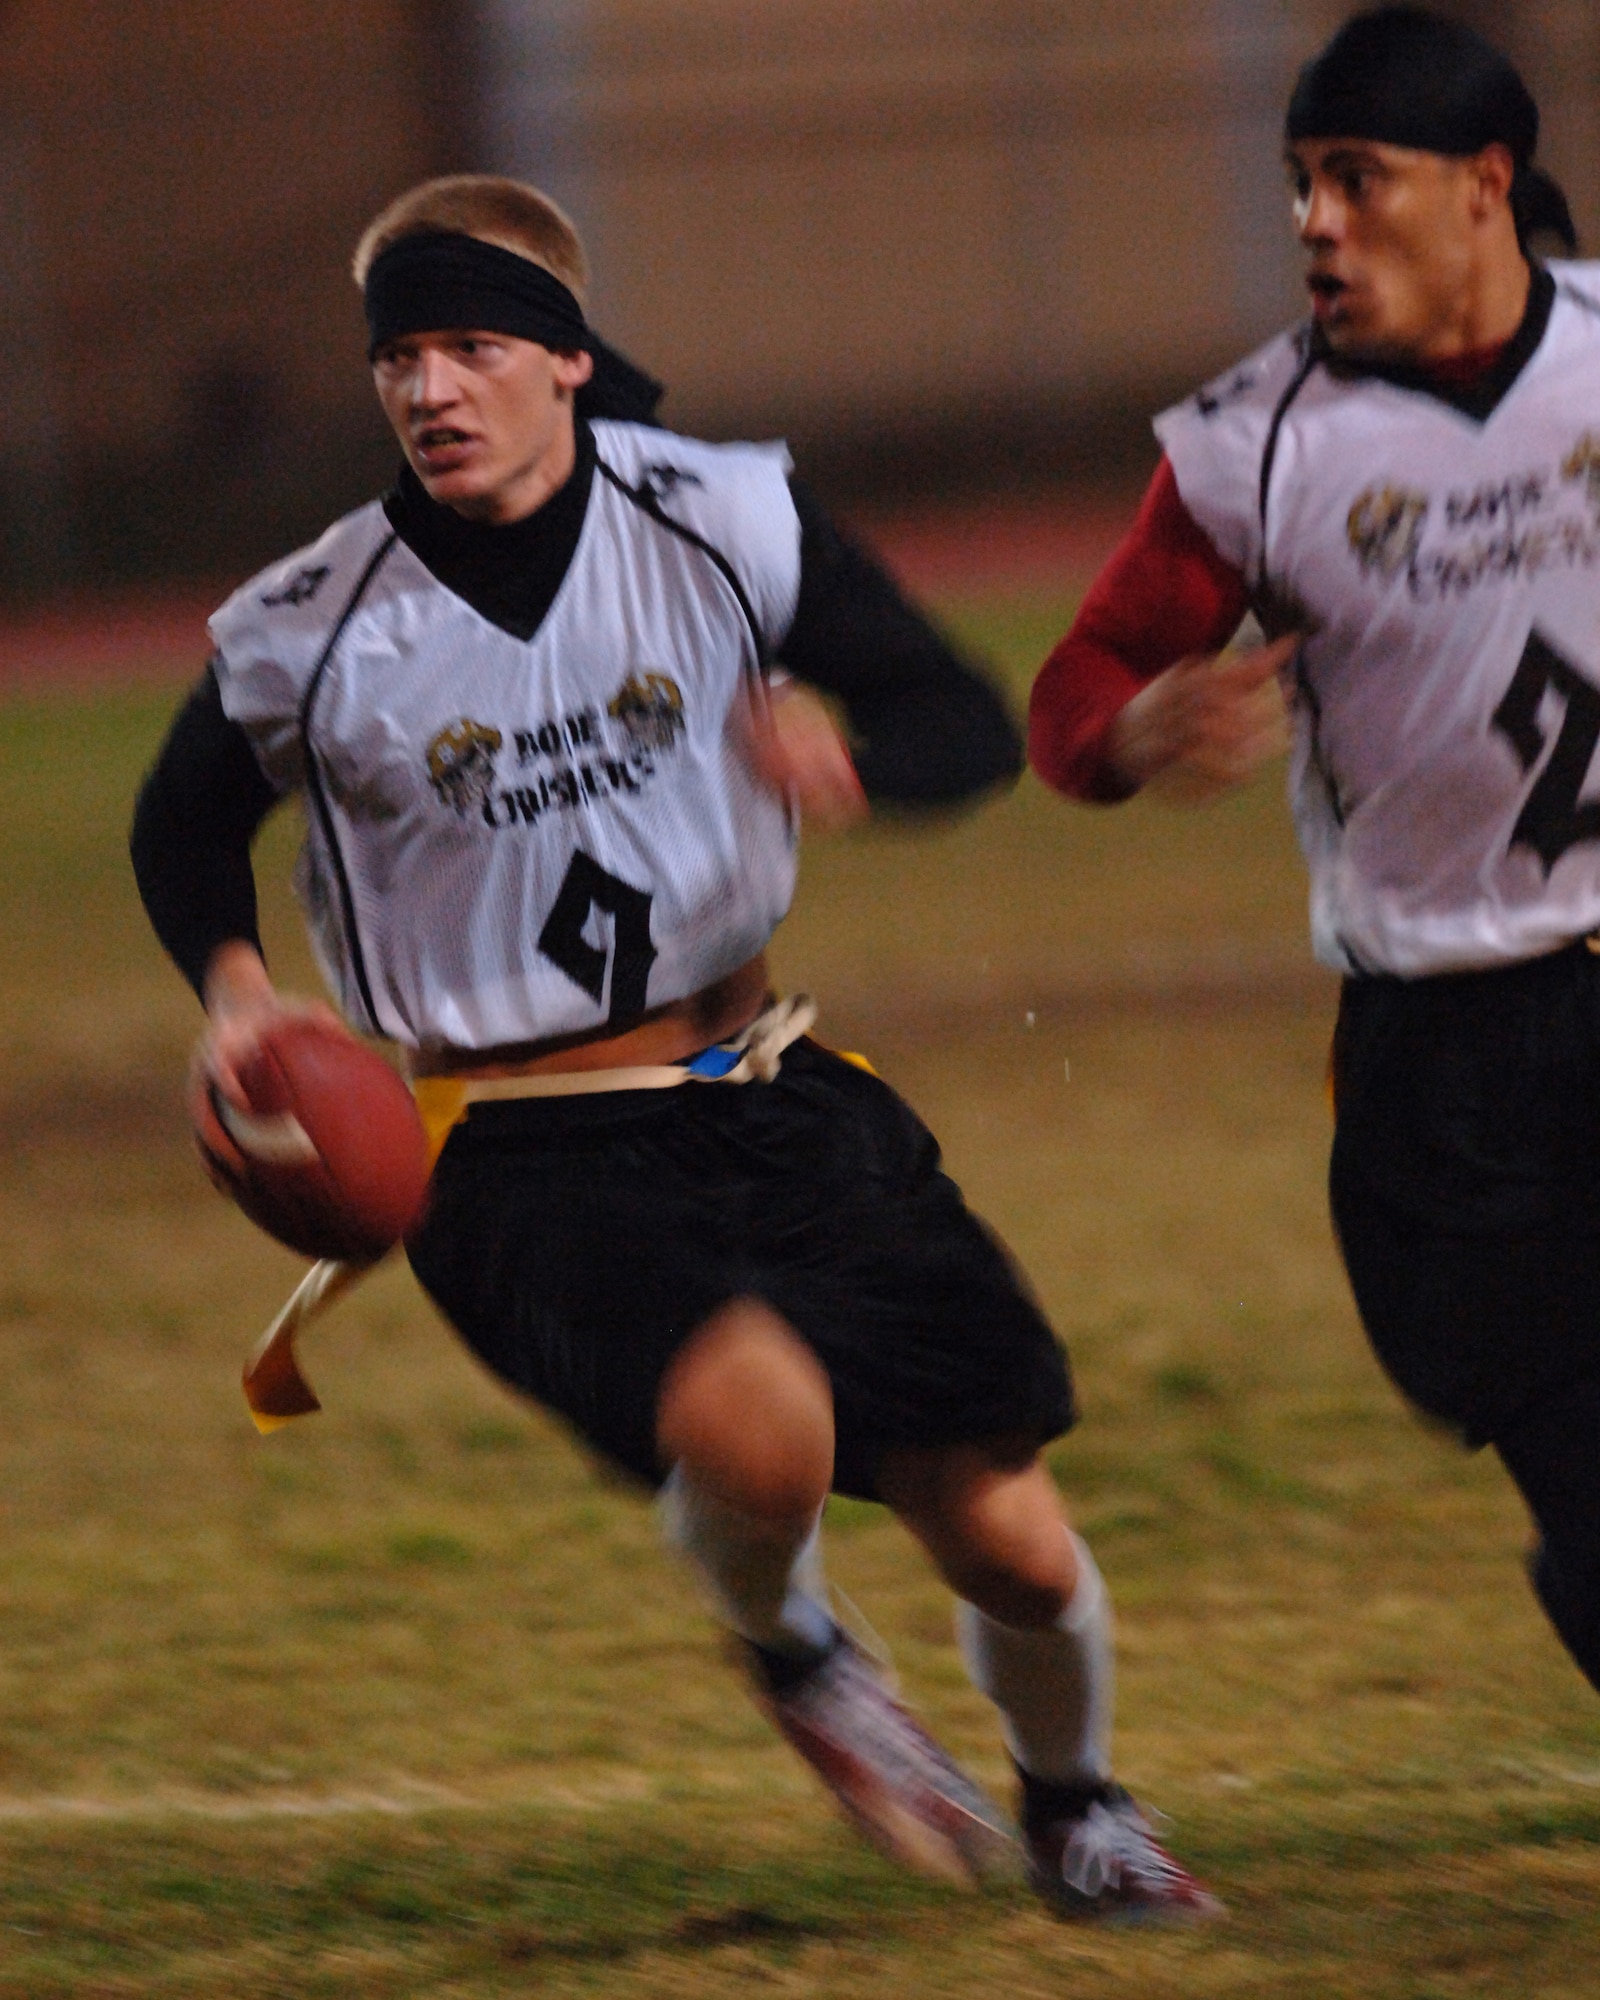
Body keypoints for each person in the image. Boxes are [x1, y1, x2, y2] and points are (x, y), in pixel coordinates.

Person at [130, 173, 1218, 1918]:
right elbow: (180, 829)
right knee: (762, 1431)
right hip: (520, 1150)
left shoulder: (725, 515)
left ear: (566, 363)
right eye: (399, 359)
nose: (429, 392)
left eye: (470, 348)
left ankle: (1078, 1807)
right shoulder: (316, 621)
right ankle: (798, 1655)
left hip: (777, 1091)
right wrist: (242, 999)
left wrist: (859, 770)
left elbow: (958, 715)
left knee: (1011, 1536)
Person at [1029, 4, 1600, 1694]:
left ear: (1486, 186)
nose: (1315, 226)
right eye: (1297, 187)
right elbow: (1077, 687)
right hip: (1454, 1052)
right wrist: (1137, 735)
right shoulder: (1250, 450)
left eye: (1358, 181)